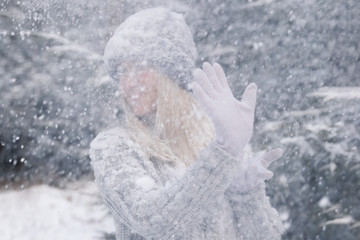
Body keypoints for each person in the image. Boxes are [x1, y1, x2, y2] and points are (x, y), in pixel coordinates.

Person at [90, 7, 284, 240]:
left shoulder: (221, 139)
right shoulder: (114, 147)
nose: (129, 82)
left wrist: (247, 194)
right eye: (122, 71)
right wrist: (222, 157)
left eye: (141, 67)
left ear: (172, 76)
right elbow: (152, 222)